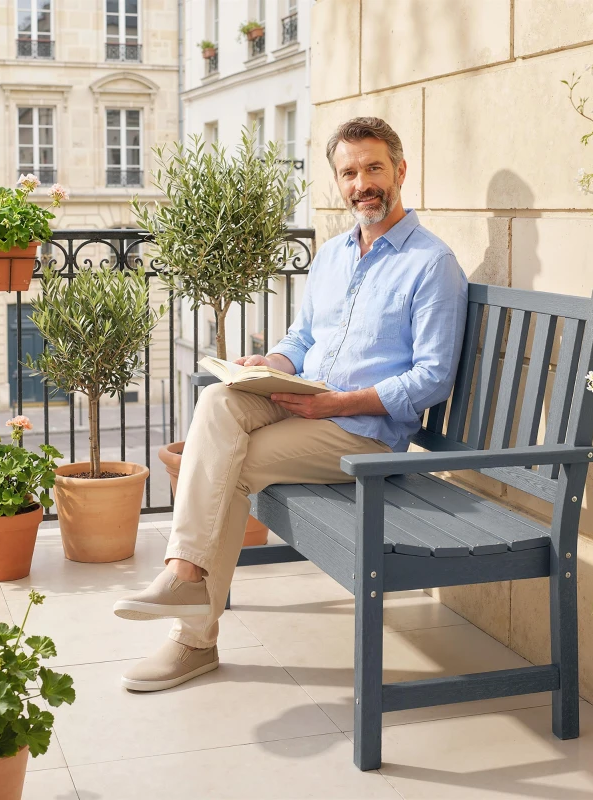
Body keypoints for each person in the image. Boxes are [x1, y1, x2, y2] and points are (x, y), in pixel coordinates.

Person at [113, 116, 469, 692]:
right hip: (302, 401)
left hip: (362, 431)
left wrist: (335, 404)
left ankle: (193, 639)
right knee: (219, 405)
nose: (362, 184)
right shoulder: (331, 256)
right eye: (348, 173)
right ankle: (184, 575)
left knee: (228, 468)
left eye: (374, 168)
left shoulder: (432, 264)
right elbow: (302, 339)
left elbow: (431, 379)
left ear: (401, 170)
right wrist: (272, 365)